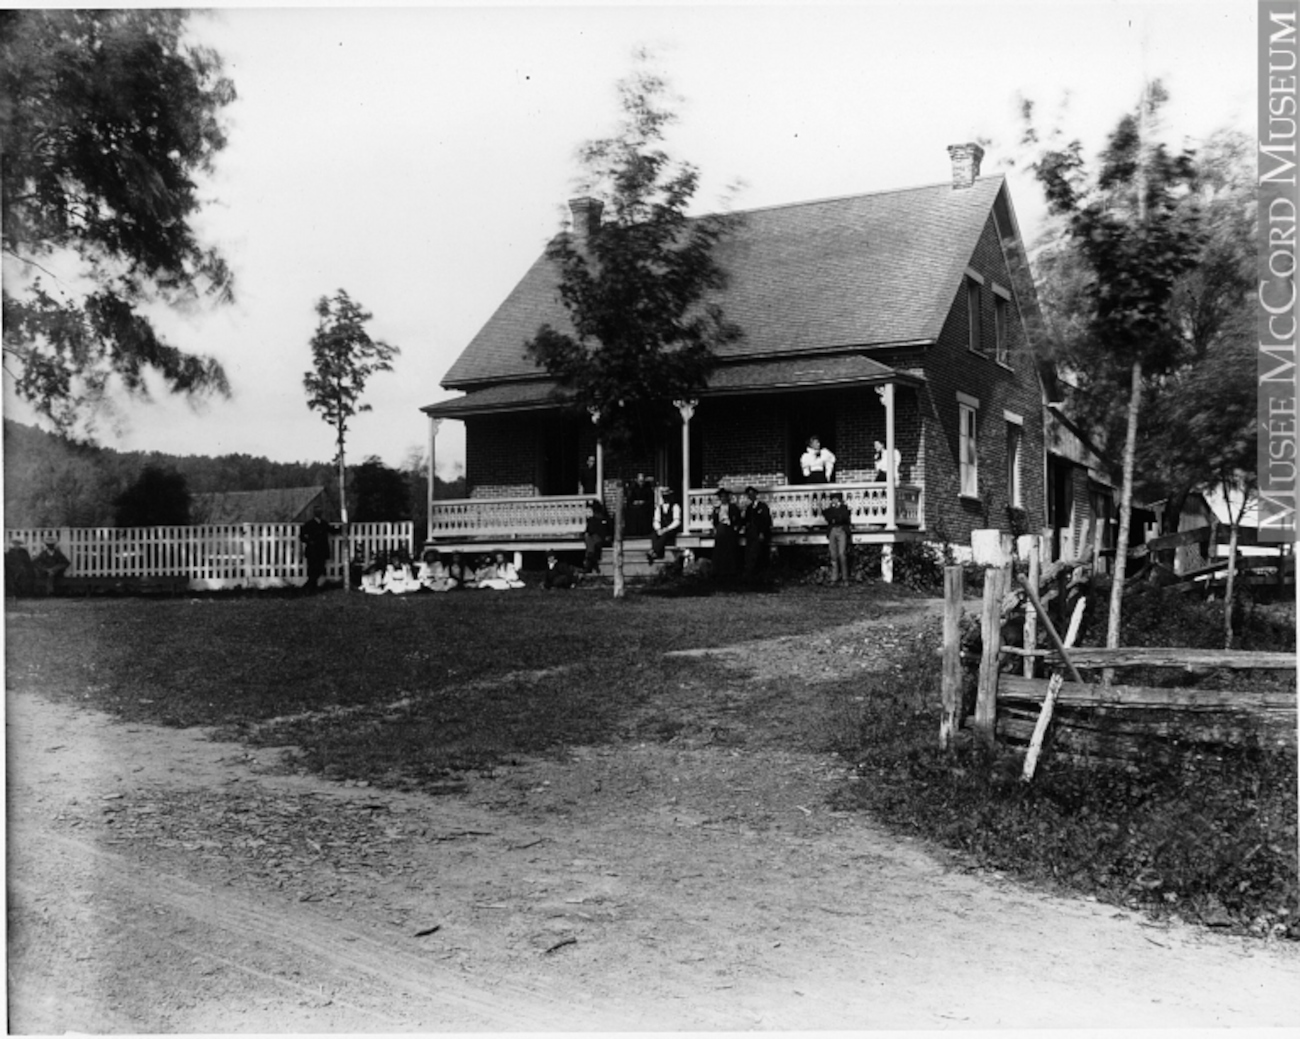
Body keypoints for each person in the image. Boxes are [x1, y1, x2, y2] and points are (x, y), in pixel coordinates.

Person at [740, 485, 773, 579]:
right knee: (750, 554)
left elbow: (766, 520)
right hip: (751, 534)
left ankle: (762, 575)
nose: (751, 496)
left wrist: (762, 532)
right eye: (749, 495)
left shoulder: (762, 506)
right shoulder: (749, 508)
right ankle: (751, 576)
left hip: (759, 533)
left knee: (760, 553)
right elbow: (745, 521)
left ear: (756, 494)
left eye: (752, 494)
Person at [710, 487, 742, 580]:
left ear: (728, 498)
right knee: (719, 550)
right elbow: (714, 521)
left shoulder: (733, 507)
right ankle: (718, 572)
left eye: (725, 497)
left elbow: (738, 520)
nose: (723, 498)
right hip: (720, 529)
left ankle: (731, 571)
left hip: (730, 529)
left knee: (730, 550)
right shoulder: (717, 509)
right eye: (722, 497)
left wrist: (736, 528)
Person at [822, 489, 853, 585]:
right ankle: (834, 578)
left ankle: (845, 578)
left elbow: (843, 518)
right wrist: (835, 517)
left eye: (836, 499)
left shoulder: (844, 508)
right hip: (832, 530)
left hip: (841, 530)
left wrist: (836, 517)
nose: (834, 501)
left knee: (842, 553)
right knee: (833, 554)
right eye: (833, 499)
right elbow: (828, 517)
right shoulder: (829, 509)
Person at [299, 506, 332, 592]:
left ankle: (310, 586)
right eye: (317, 511)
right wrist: (309, 541)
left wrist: (345, 527)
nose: (319, 513)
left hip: (322, 551)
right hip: (312, 551)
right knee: (312, 568)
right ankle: (310, 586)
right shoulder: (309, 524)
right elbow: (302, 536)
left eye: (320, 511)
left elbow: (333, 531)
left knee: (320, 568)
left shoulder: (324, 524)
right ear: (314, 513)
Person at [647, 488, 682, 563]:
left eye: (667, 496)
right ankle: (657, 553)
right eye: (664, 496)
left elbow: (676, 521)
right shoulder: (659, 508)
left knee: (665, 535)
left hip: (671, 529)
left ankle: (654, 551)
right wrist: (658, 529)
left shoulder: (675, 506)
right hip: (662, 529)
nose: (666, 498)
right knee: (654, 534)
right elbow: (656, 520)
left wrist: (667, 529)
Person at [626, 472, 654, 536]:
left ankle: (645, 531)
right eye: (640, 481)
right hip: (635, 508)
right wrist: (636, 502)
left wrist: (643, 502)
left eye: (642, 481)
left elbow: (650, 499)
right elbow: (630, 500)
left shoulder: (648, 489)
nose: (641, 482)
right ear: (637, 480)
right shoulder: (633, 489)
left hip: (645, 508)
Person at [582, 499, 607, 574]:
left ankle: (589, 563)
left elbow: (592, 531)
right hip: (594, 541)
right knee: (588, 539)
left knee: (588, 538)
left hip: (600, 540)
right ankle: (592, 562)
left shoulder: (598, 519)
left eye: (589, 511)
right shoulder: (592, 519)